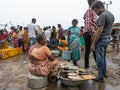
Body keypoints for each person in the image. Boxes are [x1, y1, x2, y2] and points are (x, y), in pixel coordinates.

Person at [91, 1, 115, 83]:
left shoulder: (102, 16)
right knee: (103, 57)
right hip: (107, 39)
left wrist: (93, 43)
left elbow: (99, 31)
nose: (96, 13)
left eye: (96, 10)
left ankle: (101, 77)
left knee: (99, 59)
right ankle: (104, 73)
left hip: (101, 40)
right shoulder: (111, 15)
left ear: (101, 7)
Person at [83, 0, 97, 69]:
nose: (97, 2)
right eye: (96, 1)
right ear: (92, 2)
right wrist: (92, 35)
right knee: (89, 50)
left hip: (92, 33)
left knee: (94, 50)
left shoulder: (93, 11)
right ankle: (86, 66)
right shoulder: (89, 10)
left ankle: (97, 65)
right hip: (89, 33)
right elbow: (88, 25)